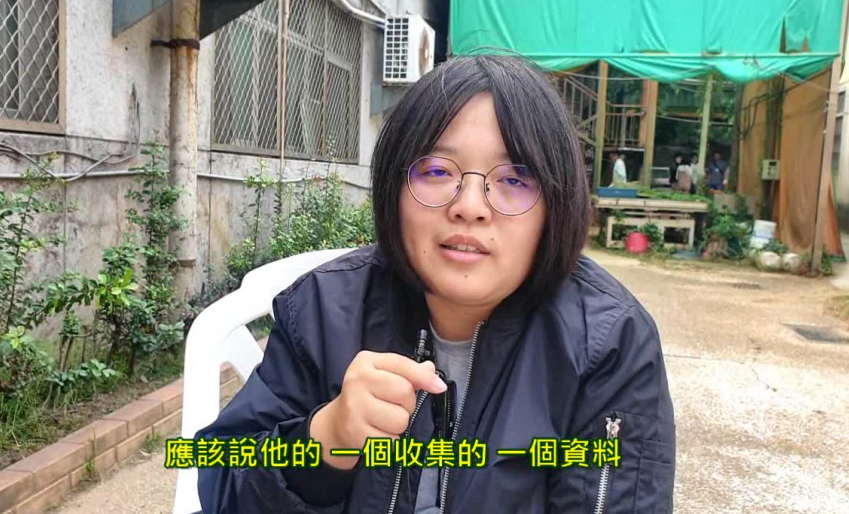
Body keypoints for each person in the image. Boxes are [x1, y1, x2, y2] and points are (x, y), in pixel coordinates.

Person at [195, 56, 676, 514]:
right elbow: (222, 478)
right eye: (438, 171)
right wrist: (324, 441)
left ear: (556, 203)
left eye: (514, 178)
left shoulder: (608, 343)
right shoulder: (325, 308)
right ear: (394, 188)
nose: (470, 206)